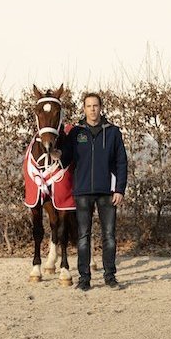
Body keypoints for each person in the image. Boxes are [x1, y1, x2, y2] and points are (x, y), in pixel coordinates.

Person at [60, 92, 128, 291]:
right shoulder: (76, 132)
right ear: (84, 109)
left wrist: (120, 189)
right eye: (88, 106)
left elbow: (122, 162)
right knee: (83, 237)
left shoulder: (113, 132)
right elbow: (66, 159)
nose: (92, 109)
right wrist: (57, 154)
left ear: (100, 108)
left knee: (109, 236)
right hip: (82, 192)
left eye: (95, 105)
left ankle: (110, 277)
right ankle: (84, 279)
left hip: (107, 192)